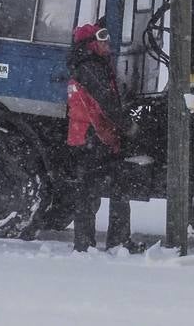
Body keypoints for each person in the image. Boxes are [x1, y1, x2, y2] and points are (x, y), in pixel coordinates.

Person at [67, 20, 142, 253]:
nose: (107, 44)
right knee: (106, 187)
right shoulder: (91, 68)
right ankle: (111, 242)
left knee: (91, 189)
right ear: (90, 44)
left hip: (92, 136)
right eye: (102, 39)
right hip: (95, 135)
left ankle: (87, 243)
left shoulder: (93, 65)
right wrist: (128, 126)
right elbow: (107, 103)